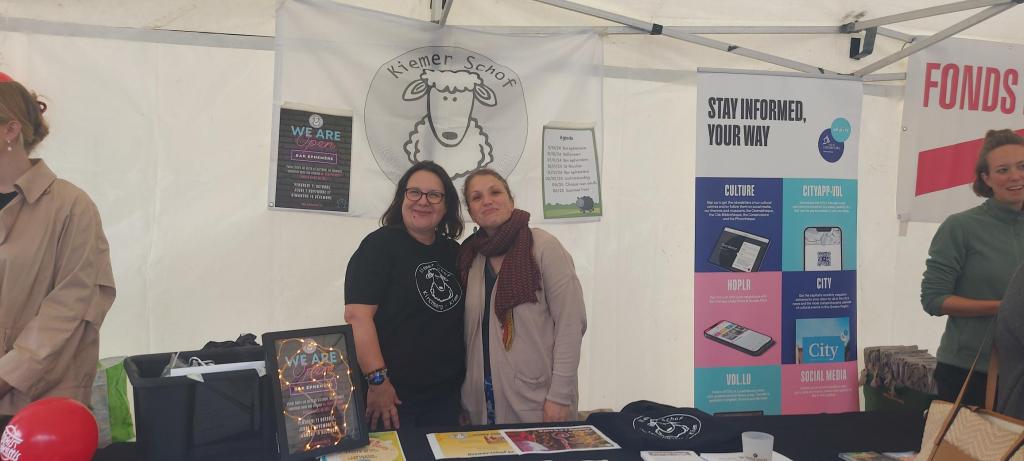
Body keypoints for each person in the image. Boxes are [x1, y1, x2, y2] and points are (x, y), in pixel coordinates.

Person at [0, 73, 115, 415]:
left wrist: (8, 374)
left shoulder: (70, 206)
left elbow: (72, 305)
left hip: (39, 407)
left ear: (10, 130)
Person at [458, 169, 587, 424]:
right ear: (471, 212)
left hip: (538, 401)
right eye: (477, 197)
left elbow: (570, 324)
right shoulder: (470, 257)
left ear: (511, 201)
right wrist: (466, 400)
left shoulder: (544, 247)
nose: (487, 201)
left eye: (495, 192)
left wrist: (560, 397)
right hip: (481, 404)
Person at [343, 161, 465, 430]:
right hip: (393, 398)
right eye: (415, 192)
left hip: (446, 398)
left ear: (446, 205)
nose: (423, 201)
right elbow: (357, 317)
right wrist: (377, 382)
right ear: (402, 198)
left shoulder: (454, 253)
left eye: (434, 195)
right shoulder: (379, 246)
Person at [921, 128, 1024, 406]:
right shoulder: (960, 227)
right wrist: (1004, 308)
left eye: (1022, 166)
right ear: (986, 179)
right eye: (1003, 170)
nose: (1015, 176)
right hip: (969, 372)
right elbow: (933, 299)